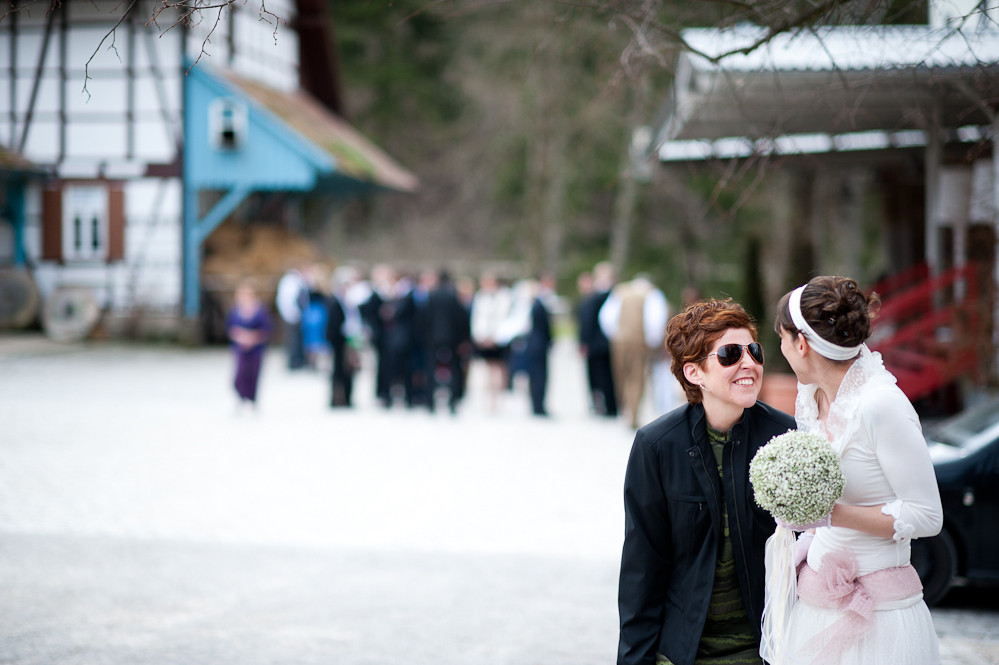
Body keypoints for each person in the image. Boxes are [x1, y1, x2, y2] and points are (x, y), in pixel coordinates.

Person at [772, 276, 943, 665]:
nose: (780, 349)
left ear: (800, 344)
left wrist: (830, 514)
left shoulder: (881, 405)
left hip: (881, 619)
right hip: (815, 605)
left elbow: (927, 515)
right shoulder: (812, 395)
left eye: (781, 339)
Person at [617, 298, 796, 665]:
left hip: (767, 649)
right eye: (730, 353)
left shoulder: (787, 436)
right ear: (694, 373)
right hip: (683, 652)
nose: (748, 363)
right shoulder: (657, 446)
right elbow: (642, 568)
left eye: (754, 351)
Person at [600, 273, 669, 428]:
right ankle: (633, 413)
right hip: (639, 339)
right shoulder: (652, 294)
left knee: (621, 375)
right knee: (637, 377)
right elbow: (656, 320)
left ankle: (626, 410)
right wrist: (652, 341)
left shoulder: (620, 291)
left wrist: (615, 335)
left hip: (619, 339)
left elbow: (605, 317)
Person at [577, 261, 617, 417]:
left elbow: (587, 321)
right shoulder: (611, 295)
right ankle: (608, 405)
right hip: (603, 343)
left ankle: (607, 406)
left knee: (601, 376)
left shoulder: (598, 296)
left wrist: (584, 342)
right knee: (604, 376)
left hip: (597, 344)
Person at [225, 281, 273, 410]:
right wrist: (240, 337)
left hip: (256, 349)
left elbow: (266, 330)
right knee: (240, 375)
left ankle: (252, 400)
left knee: (253, 374)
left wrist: (252, 338)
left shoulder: (260, 311)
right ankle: (240, 397)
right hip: (240, 348)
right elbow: (230, 328)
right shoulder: (235, 310)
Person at [471, 272, 512, 412]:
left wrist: (495, 337)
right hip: (484, 338)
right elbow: (477, 318)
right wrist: (481, 336)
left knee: (498, 368)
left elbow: (503, 318)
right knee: (487, 369)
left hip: (498, 339)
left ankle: (497, 398)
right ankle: (488, 398)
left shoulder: (503, 297)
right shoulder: (481, 297)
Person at [275, 265, 310, 370]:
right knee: (293, 340)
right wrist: (294, 313)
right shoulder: (291, 283)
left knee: (294, 340)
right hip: (292, 316)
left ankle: (296, 361)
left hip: (291, 315)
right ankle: (294, 362)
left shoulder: (287, 283)